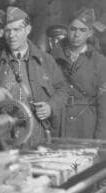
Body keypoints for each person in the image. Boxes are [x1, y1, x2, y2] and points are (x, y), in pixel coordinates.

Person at [0, 6, 68, 147]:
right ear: (3, 32)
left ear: (28, 30)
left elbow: (62, 89)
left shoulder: (45, 60)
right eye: (8, 30)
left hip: (36, 137)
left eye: (17, 30)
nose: (12, 35)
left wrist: (50, 107)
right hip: (1, 139)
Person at [51, 8, 106, 139]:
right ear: (67, 30)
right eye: (73, 29)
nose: (77, 34)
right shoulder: (52, 58)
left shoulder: (100, 62)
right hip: (58, 123)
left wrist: (100, 140)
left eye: (82, 30)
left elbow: (104, 106)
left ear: (90, 33)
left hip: (86, 127)